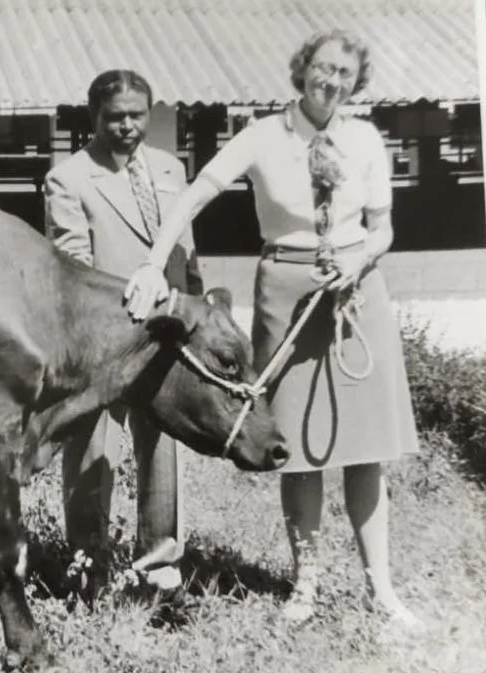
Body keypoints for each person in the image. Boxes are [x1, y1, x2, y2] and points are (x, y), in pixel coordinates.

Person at [123, 29, 422, 626]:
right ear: (301, 69)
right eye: (321, 67)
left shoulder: (365, 139)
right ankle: (305, 586)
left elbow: (384, 228)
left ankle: (381, 589)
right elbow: (195, 193)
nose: (330, 80)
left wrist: (360, 259)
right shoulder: (263, 135)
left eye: (343, 72)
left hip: (357, 294)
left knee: (367, 452)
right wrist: (155, 260)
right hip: (286, 294)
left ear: (355, 81)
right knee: (298, 449)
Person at [44, 69, 204, 595]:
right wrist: (112, 326)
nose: (128, 126)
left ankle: (159, 564)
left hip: (168, 329)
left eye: (137, 115)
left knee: (162, 442)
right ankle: (89, 561)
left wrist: (193, 307)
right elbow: (73, 264)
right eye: (115, 117)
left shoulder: (170, 169)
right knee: (94, 446)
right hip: (105, 336)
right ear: (94, 117)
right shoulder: (68, 178)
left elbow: (185, 249)